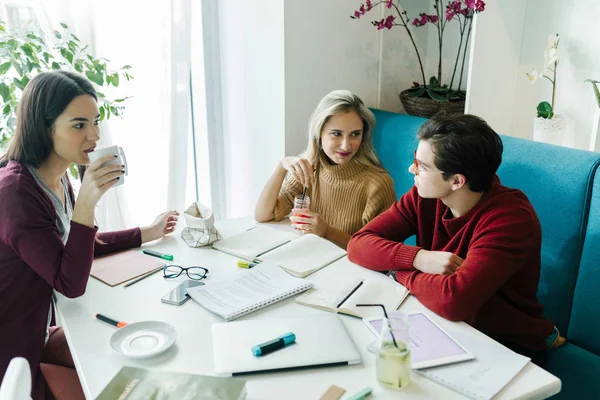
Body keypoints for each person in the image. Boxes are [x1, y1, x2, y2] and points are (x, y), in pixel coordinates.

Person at [0, 71, 179, 400]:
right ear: (45, 126)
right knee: (120, 385)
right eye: (79, 125)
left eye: (96, 122)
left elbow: (73, 250)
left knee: (143, 357)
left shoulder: (56, 177)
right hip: (14, 357)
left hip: (40, 330)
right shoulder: (15, 192)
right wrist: (87, 201)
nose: (94, 135)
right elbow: (69, 282)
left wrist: (148, 232)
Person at [347, 113, 563, 365]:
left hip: (503, 346)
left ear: (457, 181)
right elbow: (358, 244)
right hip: (441, 326)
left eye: (422, 166)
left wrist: (397, 273)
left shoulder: (510, 219)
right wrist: (419, 258)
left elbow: (453, 300)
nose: (411, 170)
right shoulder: (424, 196)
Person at [254, 90, 396, 249]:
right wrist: (281, 166)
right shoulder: (310, 167)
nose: (346, 145)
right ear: (319, 132)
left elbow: (381, 252)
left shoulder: (378, 184)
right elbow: (263, 215)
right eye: (336, 134)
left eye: (355, 134)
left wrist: (327, 232)